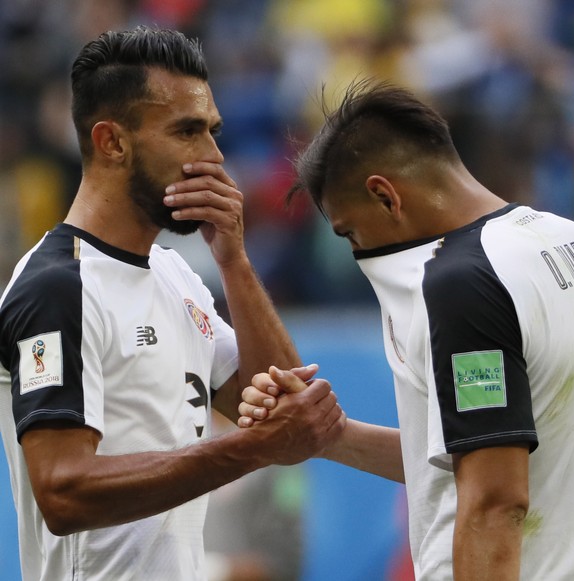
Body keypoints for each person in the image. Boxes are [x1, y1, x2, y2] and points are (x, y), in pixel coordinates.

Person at [0, 26, 345, 581]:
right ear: (112, 141)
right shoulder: (56, 287)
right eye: (187, 132)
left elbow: (284, 414)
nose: (213, 155)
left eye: (212, 131)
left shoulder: (176, 273)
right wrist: (249, 450)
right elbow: (62, 492)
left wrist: (235, 261)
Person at [238, 80, 574, 580]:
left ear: (385, 196)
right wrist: (329, 437)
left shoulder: (464, 282)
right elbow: (488, 451)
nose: (357, 255)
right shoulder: (567, 239)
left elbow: (494, 499)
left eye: (349, 233)